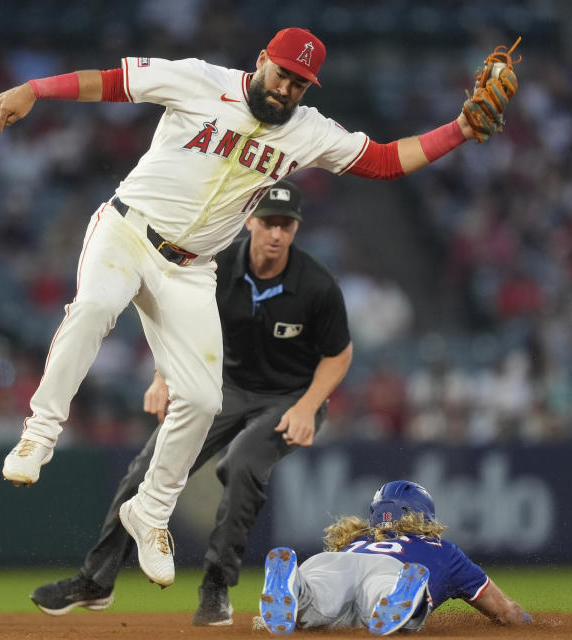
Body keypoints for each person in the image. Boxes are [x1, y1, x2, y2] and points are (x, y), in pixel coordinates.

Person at [0, 27, 519, 588]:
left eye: (301, 82)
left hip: (191, 268)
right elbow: (114, 83)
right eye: (284, 73)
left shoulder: (309, 131)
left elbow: (386, 161)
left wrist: (461, 129)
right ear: (263, 60)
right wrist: (37, 88)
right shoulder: (200, 79)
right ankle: (40, 433)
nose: (288, 87)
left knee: (200, 398)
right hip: (128, 230)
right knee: (96, 306)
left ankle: (149, 512)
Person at [29, 179, 353, 626]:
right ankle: (96, 580)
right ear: (251, 220)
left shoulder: (315, 284)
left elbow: (339, 354)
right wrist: (164, 376)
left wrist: (308, 406)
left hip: (291, 396)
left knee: (241, 463)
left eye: (287, 224)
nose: (276, 233)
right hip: (227, 388)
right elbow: (177, 315)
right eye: (269, 222)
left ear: (296, 228)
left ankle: (216, 586)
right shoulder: (217, 265)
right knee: (147, 467)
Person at [259, 480, 531, 636]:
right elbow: (507, 613)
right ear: (425, 515)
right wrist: (530, 624)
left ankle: (296, 586)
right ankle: (398, 598)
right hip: (394, 569)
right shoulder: (441, 549)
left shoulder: (356, 540)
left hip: (332, 561)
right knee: (378, 596)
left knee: (319, 594)